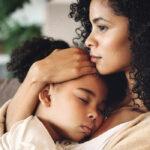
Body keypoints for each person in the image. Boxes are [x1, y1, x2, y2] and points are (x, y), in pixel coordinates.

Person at [1, 0, 150, 149]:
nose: (88, 41)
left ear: (141, 29)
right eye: (91, 27)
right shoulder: (93, 88)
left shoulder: (143, 128)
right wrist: (38, 74)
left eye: (102, 27)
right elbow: (12, 135)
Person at [0, 37, 127, 149]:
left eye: (101, 109)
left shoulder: (61, 141)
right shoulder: (30, 137)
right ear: (47, 96)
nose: (95, 114)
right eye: (83, 99)